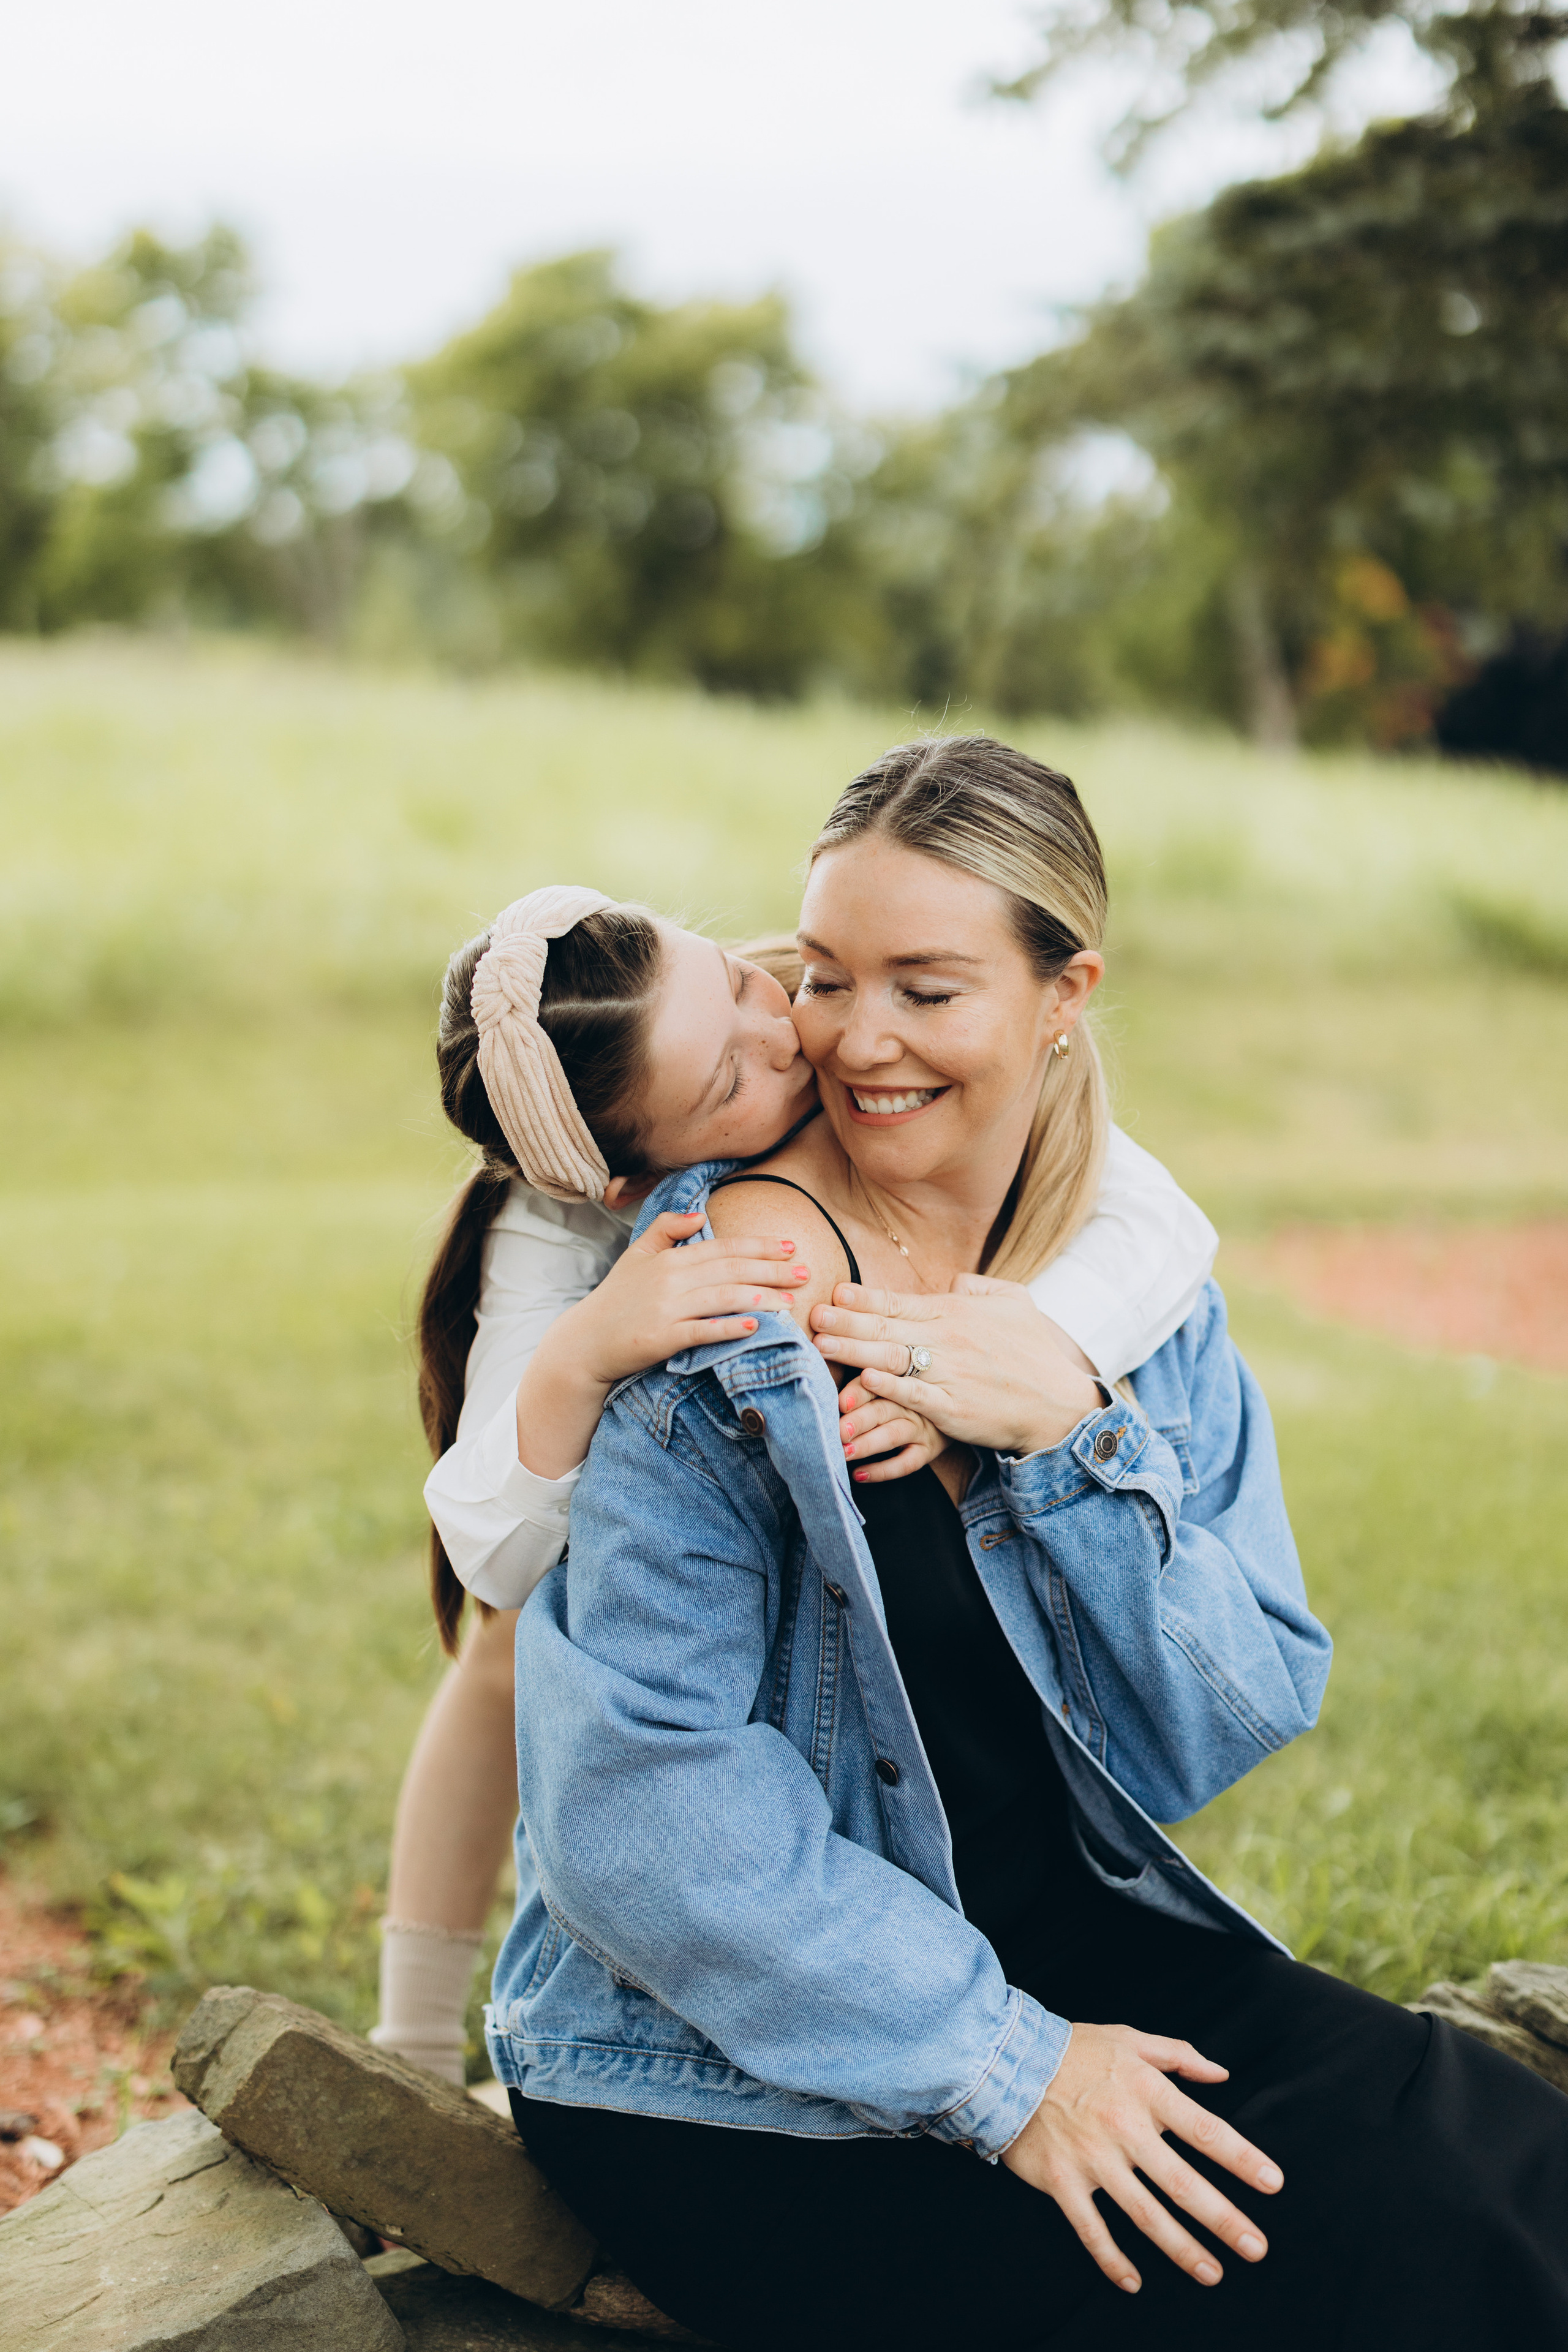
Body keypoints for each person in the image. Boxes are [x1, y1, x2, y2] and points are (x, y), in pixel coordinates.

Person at [486, 738, 1568, 2350]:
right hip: (729, 2070)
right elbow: (638, 1815)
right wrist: (1013, 2069)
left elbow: (1244, 1692)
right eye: (829, 978)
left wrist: (1064, 1438)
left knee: (1497, 2171)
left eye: (929, 988)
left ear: (1065, 995)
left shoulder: (1130, 1303)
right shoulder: (727, 1307)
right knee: (1347, 2281)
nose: (860, 1040)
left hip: (1071, 1949)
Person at [374, 888, 1219, 2082]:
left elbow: (1159, 1222)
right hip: (663, 1457)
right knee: (508, 1647)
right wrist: (585, 1348)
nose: (780, 1037)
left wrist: (988, 1354)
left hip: (856, 1416)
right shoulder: (556, 1217)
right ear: (627, 1184)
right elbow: (492, 1548)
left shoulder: (824, 1011)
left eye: (729, 978)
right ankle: (410, 2043)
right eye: (724, 1084)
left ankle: (896, 1939)